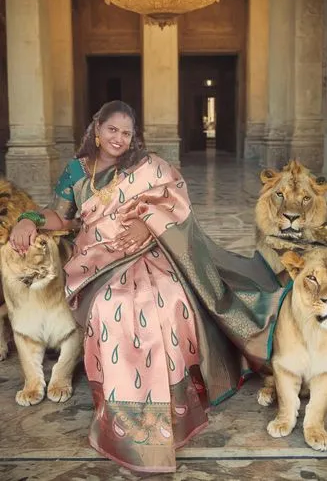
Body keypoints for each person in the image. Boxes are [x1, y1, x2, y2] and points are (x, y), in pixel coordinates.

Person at [10, 101, 283, 474]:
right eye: (112, 130)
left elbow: (177, 202)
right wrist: (28, 219)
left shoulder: (147, 166)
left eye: (126, 132)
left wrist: (149, 223)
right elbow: (62, 216)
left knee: (169, 296)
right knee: (111, 304)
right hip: (98, 260)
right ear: (96, 129)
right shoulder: (76, 170)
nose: (119, 139)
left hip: (153, 251)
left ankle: (172, 406)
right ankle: (127, 421)